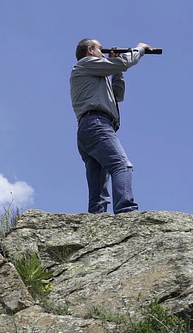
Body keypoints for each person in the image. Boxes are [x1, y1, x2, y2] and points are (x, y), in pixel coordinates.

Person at [70, 38, 152, 214]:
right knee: (121, 165)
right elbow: (124, 63)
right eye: (101, 49)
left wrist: (116, 71)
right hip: (97, 124)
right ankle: (126, 212)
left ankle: (95, 221)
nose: (103, 52)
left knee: (98, 184)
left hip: (89, 128)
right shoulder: (87, 63)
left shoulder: (95, 74)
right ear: (90, 50)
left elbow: (118, 96)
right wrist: (140, 49)